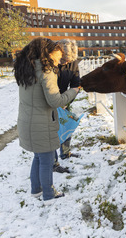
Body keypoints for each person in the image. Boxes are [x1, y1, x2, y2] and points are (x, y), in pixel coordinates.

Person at [13, 37, 80, 204]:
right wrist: (74, 91)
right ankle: (49, 193)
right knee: (47, 159)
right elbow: (55, 101)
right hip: (41, 124)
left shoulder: (27, 68)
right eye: (56, 58)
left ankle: (36, 190)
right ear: (48, 53)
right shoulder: (45, 71)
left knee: (39, 157)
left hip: (28, 122)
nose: (57, 63)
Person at [53, 39, 81, 174]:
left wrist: (66, 102)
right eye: (63, 60)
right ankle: (53, 163)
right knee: (52, 133)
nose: (65, 63)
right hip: (49, 101)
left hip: (65, 100)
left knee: (67, 126)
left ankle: (65, 152)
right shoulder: (50, 62)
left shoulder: (73, 63)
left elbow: (76, 84)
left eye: (68, 61)